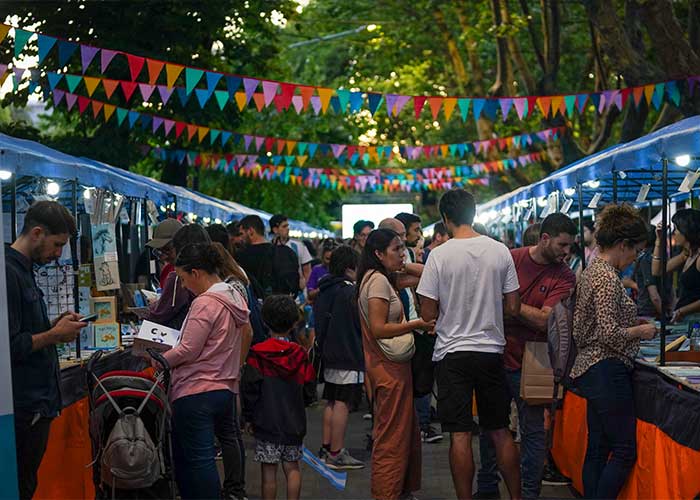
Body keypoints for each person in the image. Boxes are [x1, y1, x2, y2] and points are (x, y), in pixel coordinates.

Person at [417, 189, 522, 500]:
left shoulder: (438, 255)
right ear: (474, 214)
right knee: (500, 430)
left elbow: (427, 314)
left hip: (451, 354)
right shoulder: (500, 250)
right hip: (491, 351)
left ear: (446, 218)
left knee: (460, 434)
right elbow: (514, 307)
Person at [477, 213, 577, 499]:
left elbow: (546, 321)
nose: (567, 252)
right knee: (490, 427)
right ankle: (487, 488)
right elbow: (485, 302)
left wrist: (509, 304)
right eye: (562, 245)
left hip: (536, 357)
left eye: (570, 246)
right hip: (495, 353)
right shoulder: (509, 259)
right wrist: (520, 311)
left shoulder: (565, 275)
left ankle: (529, 493)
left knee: (533, 431)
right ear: (545, 239)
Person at [571, 204, 656, 499]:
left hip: (592, 368)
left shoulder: (593, 270)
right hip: (605, 367)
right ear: (622, 245)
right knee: (623, 451)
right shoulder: (606, 277)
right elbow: (608, 333)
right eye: (636, 250)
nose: (636, 257)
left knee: (597, 448)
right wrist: (641, 331)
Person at [154, 243, 250, 499]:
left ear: (196, 272)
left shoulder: (205, 303)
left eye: (184, 279)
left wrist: (160, 360)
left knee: (197, 461)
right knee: (203, 458)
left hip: (196, 390)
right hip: (224, 388)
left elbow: (187, 349)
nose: (184, 286)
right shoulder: (234, 296)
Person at [7, 201, 87, 499]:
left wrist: (53, 325)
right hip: (23, 407)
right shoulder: (8, 273)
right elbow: (10, 345)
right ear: (37, 233)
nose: (58, 255)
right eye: (57, 245)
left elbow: (24, 331)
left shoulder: (24, 271)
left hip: (36, 404)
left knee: (27, 484)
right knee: (20, 486)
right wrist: (54, 334)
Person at [356, 228, 434, 500]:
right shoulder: (377, 282)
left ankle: (399, 490)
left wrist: (402, 260)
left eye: (404, 246)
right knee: (392, 439)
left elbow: (427, 272)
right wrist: (417, 324)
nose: (402, 254)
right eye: (396, 249)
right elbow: (378, 328)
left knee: (402, 434)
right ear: (377, 254)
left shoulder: (382, 277)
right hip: (388, 370)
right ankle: (387, 493)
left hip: (392, 369)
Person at [242, 295, 315, 500]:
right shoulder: (300, 354)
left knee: (268, 473)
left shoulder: (257, 354)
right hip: (294, 421)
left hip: (266, 423)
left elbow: (250, 390)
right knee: (292, 468)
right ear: (294, 322)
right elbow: (309, 387)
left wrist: (248, 417)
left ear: (265, 321)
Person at [381, 215, 442, 444]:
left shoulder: (400, 258)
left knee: (418, 378)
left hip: (410, 326)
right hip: (403, 331)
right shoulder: (379, 274)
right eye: (403, 235)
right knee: (416, 379)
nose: (409, 238)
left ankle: (416, 425)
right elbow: (378, 328)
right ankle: (417, 426)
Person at [314, 246, 365, 470]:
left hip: (329, 352)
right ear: (350, 268)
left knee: (332, 400)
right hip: (348, 353)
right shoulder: (348, 292)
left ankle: (326, 447)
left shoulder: (325, 288)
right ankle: (336, 453)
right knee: (343, 403)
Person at [146, 224, 211, 329]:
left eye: (167, 250)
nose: (163, 256)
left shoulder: (176, 278)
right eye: (159, 251)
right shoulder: (219, 278)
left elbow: (159, 315)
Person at [652, 208, 700, 323]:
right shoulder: (687, 254)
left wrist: (682, 311)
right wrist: (659, 240)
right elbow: (657, 271)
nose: (674, 233)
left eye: (676, 229)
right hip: (687, 320)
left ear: (686, 231)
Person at [236, 215, 300, 298]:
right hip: (283, 304)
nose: (240, 238)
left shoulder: (242, 256)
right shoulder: (287, 253)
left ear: (251, 231)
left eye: (241, 233)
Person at [635, 225, 672, 319]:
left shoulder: (646, 259)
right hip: (659, 309)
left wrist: (666, 317)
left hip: (650, 312)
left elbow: (654, 295)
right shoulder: (661, 257)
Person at [270, 214, 313, 290]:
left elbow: (307, 270)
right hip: (276, 294)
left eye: (287, 226)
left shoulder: (299, 246)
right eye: (284, 226)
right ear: (275, 229)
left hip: (298, 297)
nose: (288, 229)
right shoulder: (269, 248)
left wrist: (303, 285)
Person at [146, 218, 183, 289]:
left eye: (167, 250)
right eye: (158, 252)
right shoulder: (167, 271)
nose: (163, 258)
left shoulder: (192, 274)